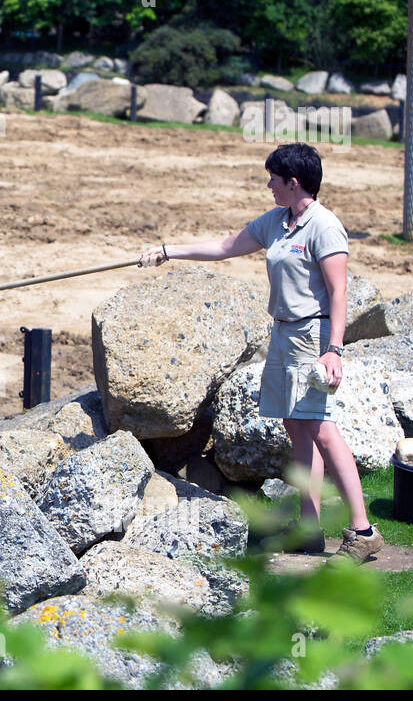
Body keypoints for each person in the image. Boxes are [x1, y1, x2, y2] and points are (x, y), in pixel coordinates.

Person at [139, 142, 383, 564]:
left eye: (273, 178)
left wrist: (334, 351)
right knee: (297, 426)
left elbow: (340, 292)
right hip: (284, 334)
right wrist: (167, 251)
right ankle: (309, 530)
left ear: (294, 182)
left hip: (313, 337)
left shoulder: (324, 227)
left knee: (323, 428)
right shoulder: (278, 222)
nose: (268, 184)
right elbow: (225, 246)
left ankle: (363, 531)